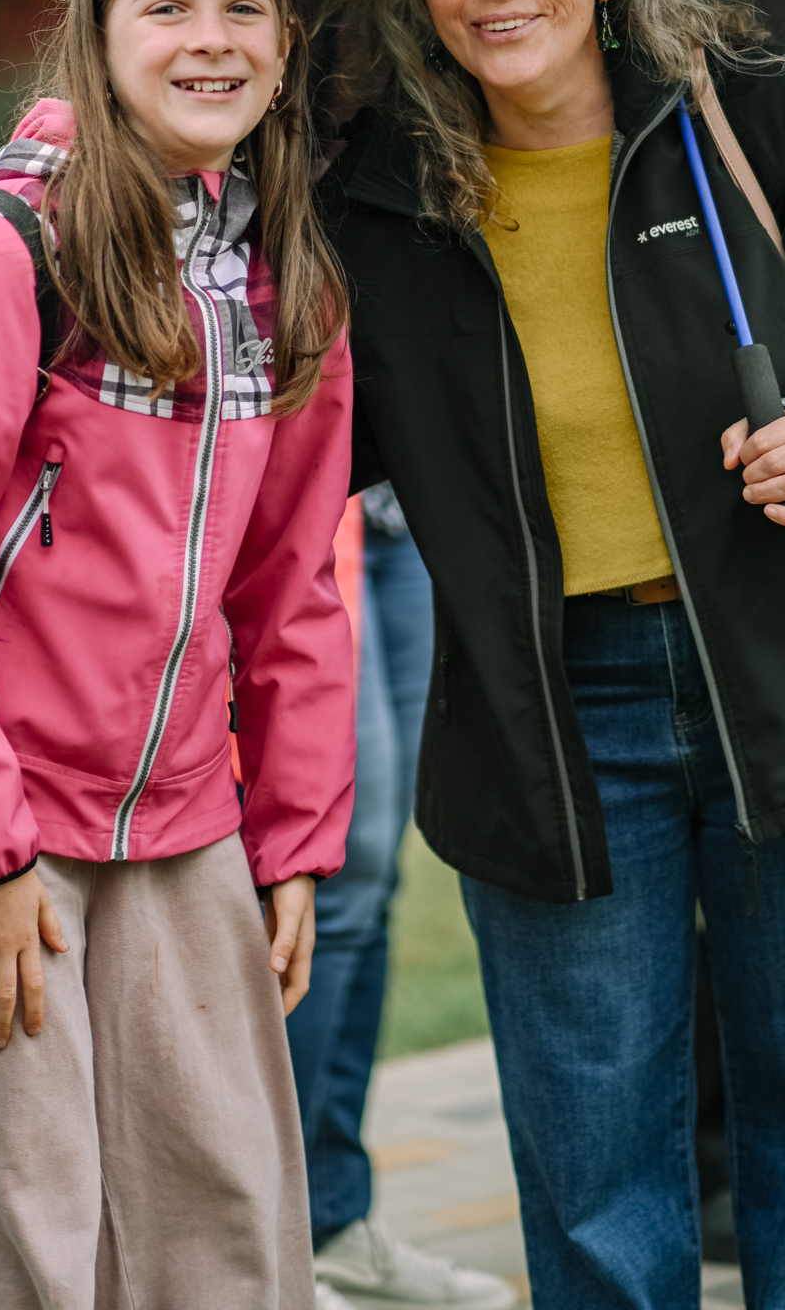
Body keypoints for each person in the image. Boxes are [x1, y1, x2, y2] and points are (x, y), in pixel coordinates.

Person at [320, 0, 785, 1310]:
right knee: (592, 1163)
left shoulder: (745, 114)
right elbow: (311, 445)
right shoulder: (378, 206)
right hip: (549, 716)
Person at [0, 0, 356, 1309]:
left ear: (288, 47)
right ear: (98, 34)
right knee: (22, 1207)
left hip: (186, 808)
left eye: (244, 9)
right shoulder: (3, 253)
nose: (211, 39)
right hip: (1, 809)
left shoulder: (288, 287)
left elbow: (295, 585)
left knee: (222, 1196)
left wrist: (293, 837)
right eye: (167, 7)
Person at [293, 486, 514, 1309]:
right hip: (318, 507)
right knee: (338, 875)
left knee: (374, 873)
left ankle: (332, 1218)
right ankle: (273, 1235)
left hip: (407, 515)